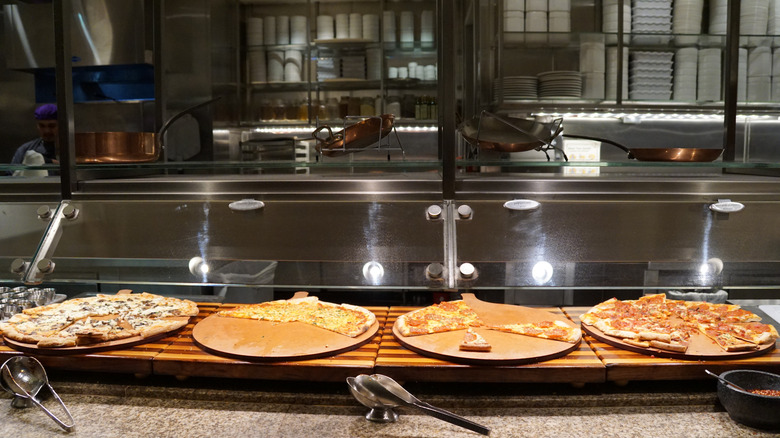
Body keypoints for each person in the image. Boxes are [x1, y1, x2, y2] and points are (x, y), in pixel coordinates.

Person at [9, 104, 59, 175]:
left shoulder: (73, 149)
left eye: (52, 126)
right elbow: (10, 177)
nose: (47, 131)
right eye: (42, 126)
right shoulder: (25, 150)